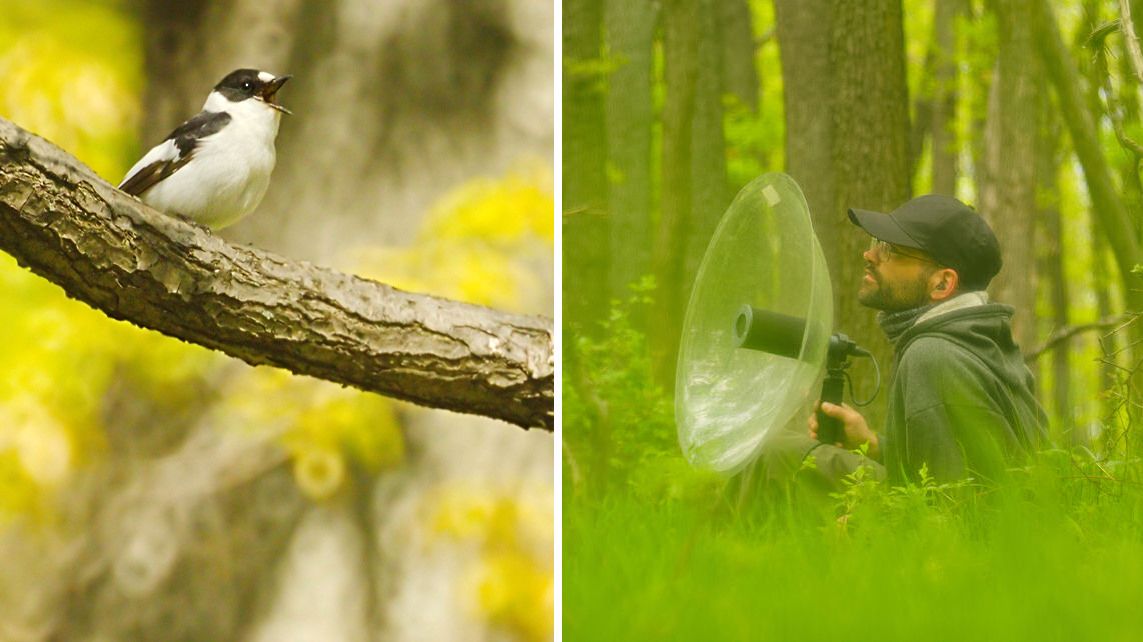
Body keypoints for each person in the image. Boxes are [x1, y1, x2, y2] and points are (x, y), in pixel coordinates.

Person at [804, 194, 1049, 485]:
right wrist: (874, 445)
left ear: (943, 283)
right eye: (877, 244)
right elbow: (960, 470)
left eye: (891, 250)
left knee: (776, 459)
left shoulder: (932, 355)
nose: (869, 256)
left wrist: (863, 525)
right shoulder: (976, 344)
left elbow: (954, 507)